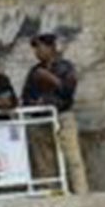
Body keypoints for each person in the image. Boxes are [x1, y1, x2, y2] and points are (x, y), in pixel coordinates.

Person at [22, 33, 87, 195]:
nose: (37, 52)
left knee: (73, 157)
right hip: (42, 119)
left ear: (51, 47)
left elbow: (68, 91)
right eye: (35, 48)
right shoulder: (35, 71)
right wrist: (35, 103)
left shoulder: (65, 67)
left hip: (63, 116)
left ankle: (82, 193)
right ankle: (51, 192)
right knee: (45, 159)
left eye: (40, 47)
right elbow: (25, 96)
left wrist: (50, 78)